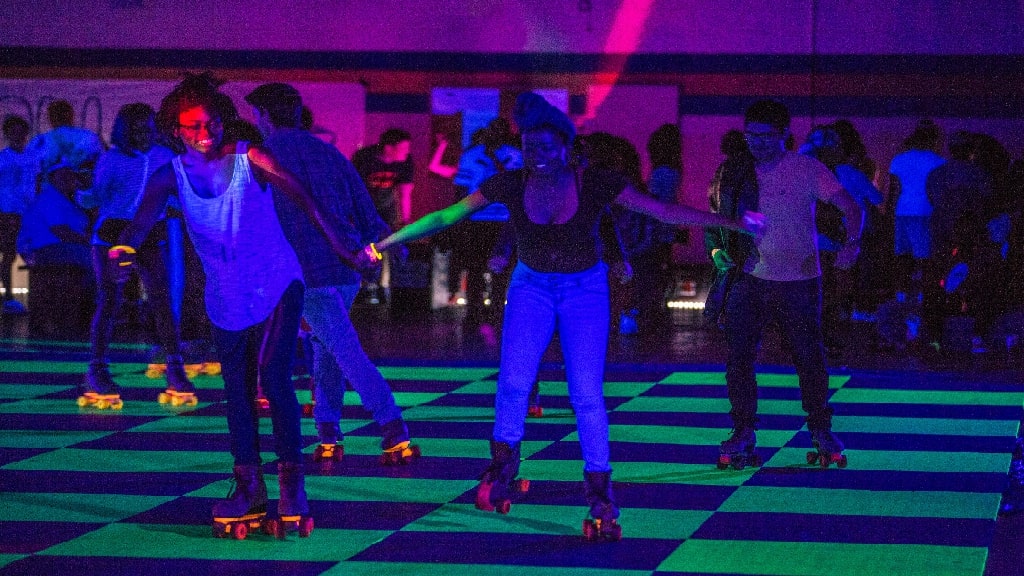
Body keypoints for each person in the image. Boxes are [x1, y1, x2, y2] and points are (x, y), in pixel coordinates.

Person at [358, 92, 761, 540]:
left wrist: (734, 224)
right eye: (530, 148)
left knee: (585, 393)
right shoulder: (511, 182)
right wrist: (385, 243)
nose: (538, 157)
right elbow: (446, 216)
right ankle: (502, 467)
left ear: (567, 148)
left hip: (583, 291)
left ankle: (600, 492)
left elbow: (661, 209)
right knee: (513, 382)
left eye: (547, 148)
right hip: (531, 287)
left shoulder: (595, 181)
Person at [114, 73, 366, 537]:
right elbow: (140, 221)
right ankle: (249, 488)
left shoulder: (251, 159)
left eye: (211, 122)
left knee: (272, 377)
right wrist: (125, 248)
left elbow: (306, 201)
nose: (204, 132)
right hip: (225, 295)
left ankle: (293, 487)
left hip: (276, 283)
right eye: (192, 126)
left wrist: (346, 246)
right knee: (237, 394)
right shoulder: (170, 174)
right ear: (175, 130)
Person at [244, 83, 418, 466]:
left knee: (344, 350)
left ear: (266, 116)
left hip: (303, 271)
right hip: (346, 268)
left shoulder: (260, 158)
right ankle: (328, 432)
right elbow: (365, 207)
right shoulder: (331, 153)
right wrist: (384, 246)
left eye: (257, 115)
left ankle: (393, 427)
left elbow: (253, 222)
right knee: (327, 350)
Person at [708, 100, 863, 471]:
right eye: (751, 136)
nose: (757, 144)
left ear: (784, 136)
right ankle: (743, 429)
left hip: (800, 280)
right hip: (750, 275)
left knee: (809, 357)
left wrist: (851, 243)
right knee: (739, 357)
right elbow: (714, 216)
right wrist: (717, 251)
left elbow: (851, 207)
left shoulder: (806, 168)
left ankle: (821, 429)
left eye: (766, 137)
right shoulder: (734, 170)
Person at [76, 103, 194, 404]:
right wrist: (81, 189)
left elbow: (177, 193)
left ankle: (174, 366)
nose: (145, 135)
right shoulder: (111, 159)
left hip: (148, 233)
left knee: (161, 299)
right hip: (113, 233)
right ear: (125, 131)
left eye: (149, 129)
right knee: (109, 301)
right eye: (138, 130)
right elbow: (95, 198)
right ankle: (97, 369)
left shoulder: (163, 157)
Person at [17, 158, 95, 341]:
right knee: (93, 260)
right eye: (64, 176)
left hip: (61, 246)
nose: (69, 180)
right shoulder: (49, 198)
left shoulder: (70, 200)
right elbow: (61, 231)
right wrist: (90, 242)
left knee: (96, 259)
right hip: (46, 247)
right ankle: (85, 313)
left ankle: (82, 313)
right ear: (53, 178)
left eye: (71, 176)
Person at [888, 119, 945, 303]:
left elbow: (894, 190)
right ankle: (923, 296)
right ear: (933, 140)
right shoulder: (938, 161)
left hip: (902, 211)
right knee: (925, 257)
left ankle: (901, 295)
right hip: (926, 211)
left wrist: (889, 214)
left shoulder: (899, 160)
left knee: (902, 255)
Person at [0, 115, 37, 314]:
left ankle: (37, 297)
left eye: (21, 132)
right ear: (6, 134)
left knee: (31, 253)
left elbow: (37, 182)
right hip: (7, 211)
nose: (18, 136)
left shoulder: (33, 156)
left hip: (29, 212)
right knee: (9, 253)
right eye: (13, 132)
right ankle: (8, 297)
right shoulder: (2, 158)